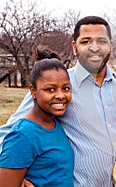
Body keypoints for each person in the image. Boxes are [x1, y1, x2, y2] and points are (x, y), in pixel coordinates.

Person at [0, 16, 116, 186]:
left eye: (101, 41)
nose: (94, 48)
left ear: (110, 46)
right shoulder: (57, 83)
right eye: (86, 41)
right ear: (74, 47)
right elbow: (10, 134)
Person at [0, 45, 74, 186]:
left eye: (65, 88)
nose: (60, 95)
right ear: (33, 92)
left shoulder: (54, 124)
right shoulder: (23, 134)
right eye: (50, 89)